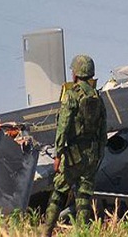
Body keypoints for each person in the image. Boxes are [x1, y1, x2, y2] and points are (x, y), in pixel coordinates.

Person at [43, 54, 107, 237]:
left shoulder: (72, 95)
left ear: (76, 73)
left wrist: (58, 154)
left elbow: (63, 126)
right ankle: (82, 233)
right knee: (84, 196)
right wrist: (99, 153)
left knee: (59, 192)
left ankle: (46, 231)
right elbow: (103, 130)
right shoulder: (97, 97)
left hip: (73, 156)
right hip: (91, 155)